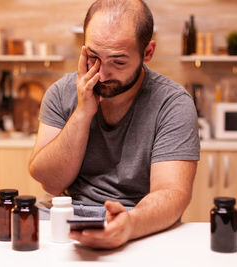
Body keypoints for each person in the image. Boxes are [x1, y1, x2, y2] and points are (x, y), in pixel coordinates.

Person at [29, 0, 200, 249]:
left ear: (148, 52)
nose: (102, 73)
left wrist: (129, 224)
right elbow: (50, 182)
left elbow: (172, 193)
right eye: (93, 57)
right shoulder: (61, 92)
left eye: (118, 62)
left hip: (138, 218)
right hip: (63, 211)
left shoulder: (173, 103)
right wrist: (82, 112)